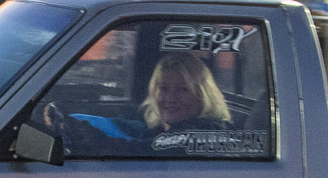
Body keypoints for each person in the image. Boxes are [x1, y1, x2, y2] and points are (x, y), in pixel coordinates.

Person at [48, 54, 232, 156]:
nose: (170, 98)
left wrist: (78, 130)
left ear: (202, 95)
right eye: (164, 88)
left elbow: (134, 152)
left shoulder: (200, 135)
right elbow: (139, 134)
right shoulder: (170, 130)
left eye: (183, 89)